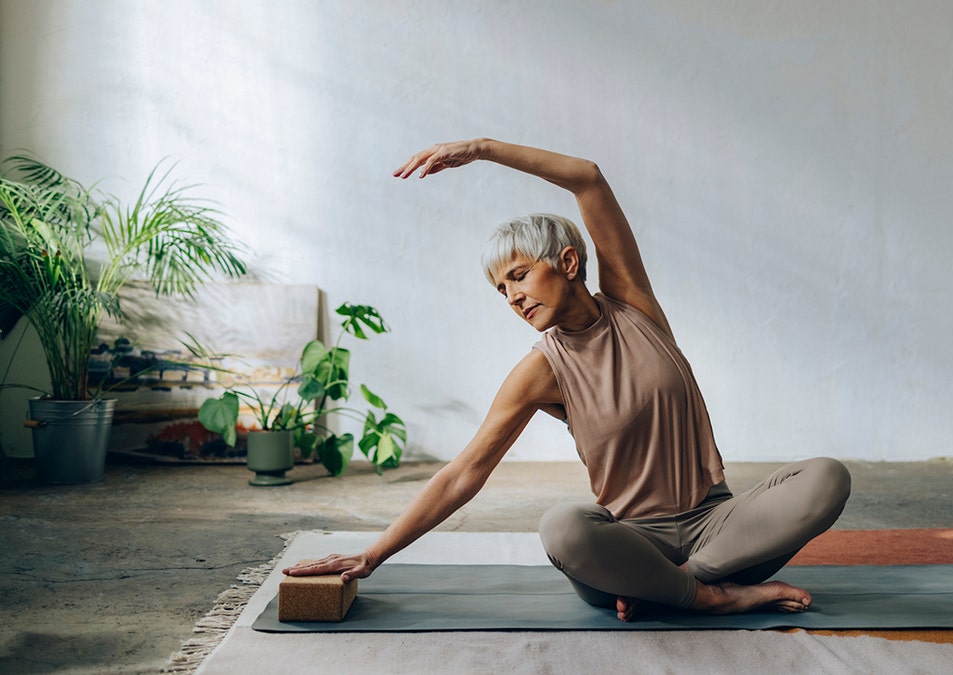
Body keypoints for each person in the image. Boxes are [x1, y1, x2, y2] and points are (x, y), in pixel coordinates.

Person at [283, 138, 852, 621]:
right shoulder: (540, 371)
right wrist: (373, 554)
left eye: (520, 275)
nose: (513, 297)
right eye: (501, 290)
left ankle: (683, 588)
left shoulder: (635, 305)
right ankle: (707, 597)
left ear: (570, 262)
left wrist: (478, 149)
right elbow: (464, 473)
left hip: (718, 531)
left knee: (826, 477)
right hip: (630, 546)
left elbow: (589, 179)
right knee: (563, 527)